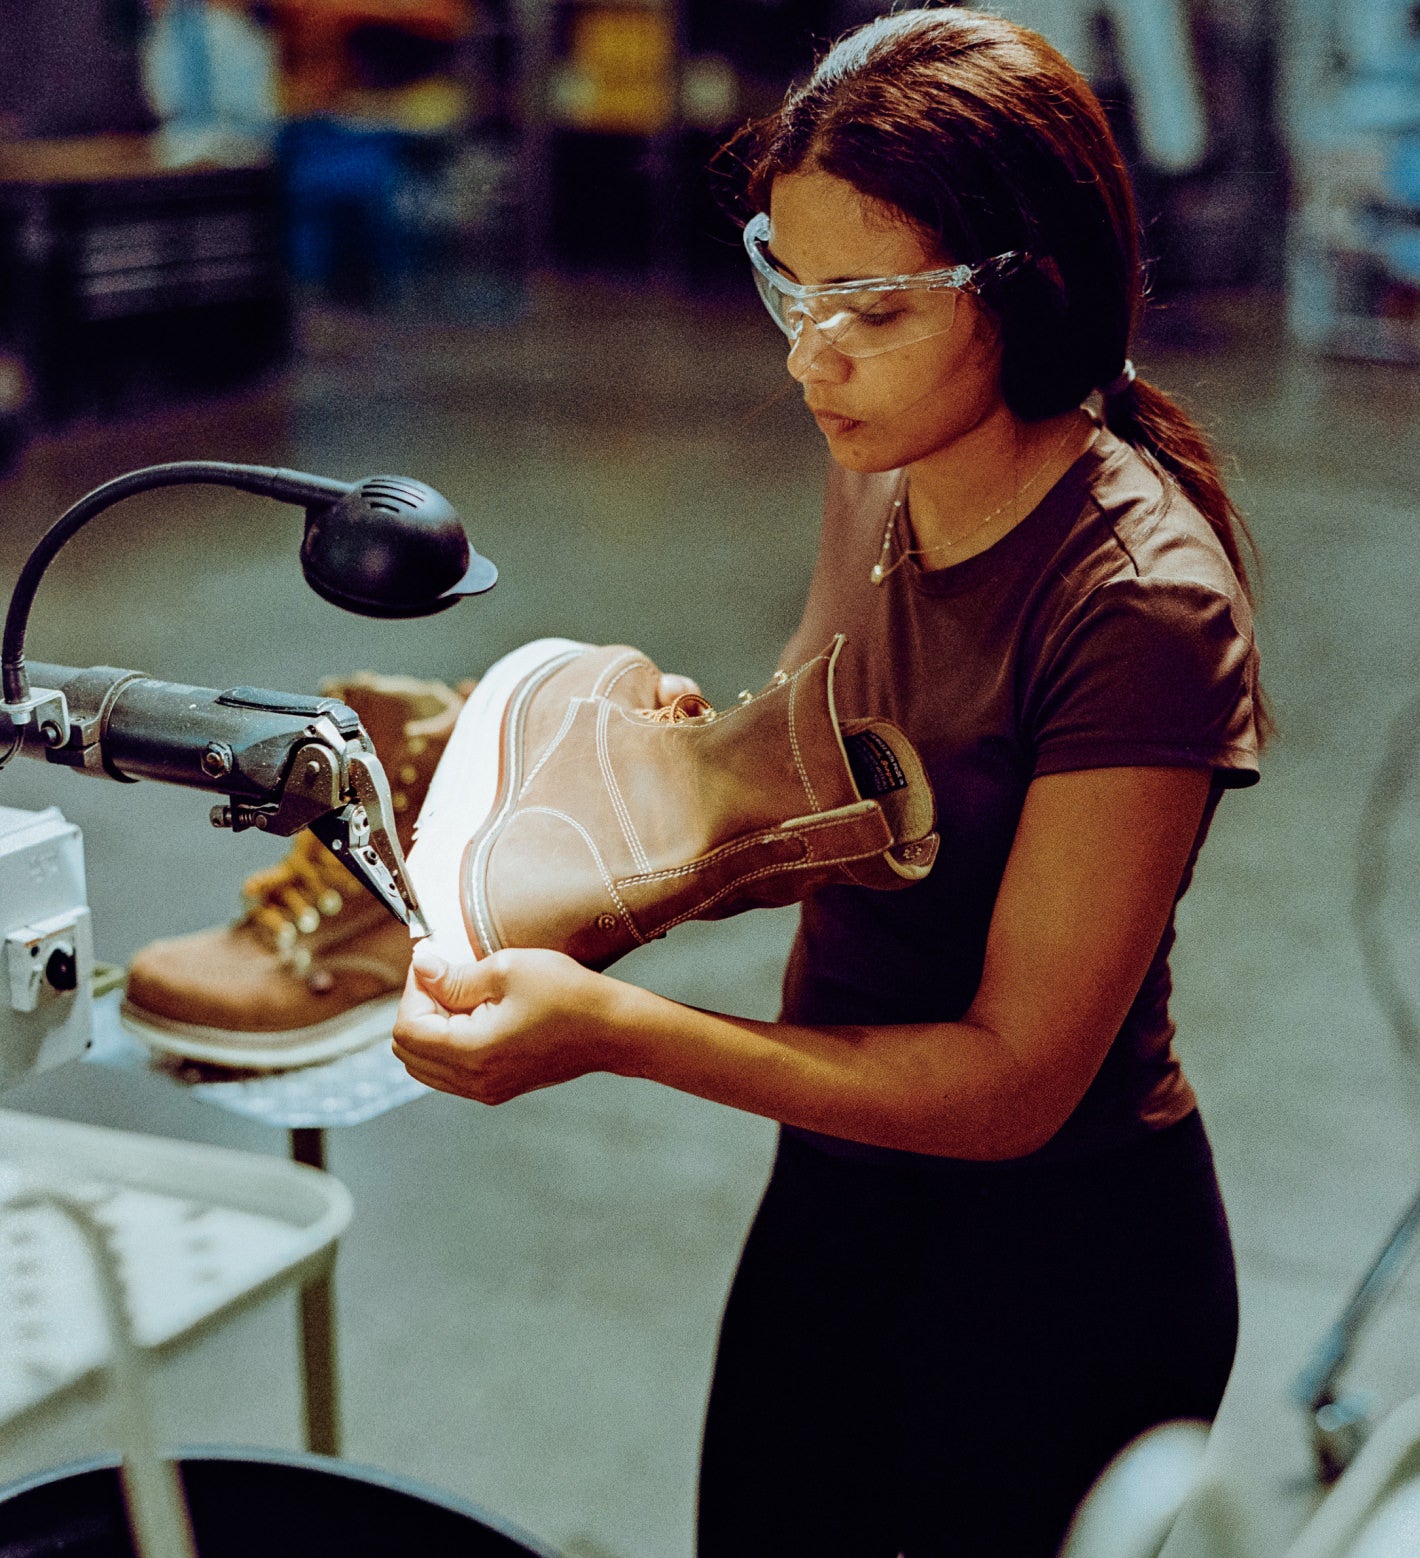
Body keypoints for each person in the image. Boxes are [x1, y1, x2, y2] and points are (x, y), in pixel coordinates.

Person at [391, 8, 1264, 1554]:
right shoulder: (884, 454)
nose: (813, 355)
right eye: (790, 286)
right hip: (842, 1197)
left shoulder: (1142, 606)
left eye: (869, 304)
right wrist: (686, 775)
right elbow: (850, 775)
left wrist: (620, 1031)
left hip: (1057, 1270)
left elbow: (1013, 1082)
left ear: (1031, 282)